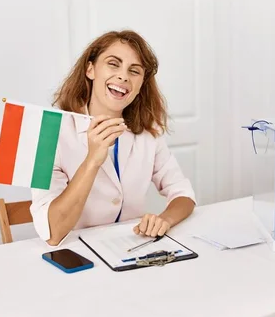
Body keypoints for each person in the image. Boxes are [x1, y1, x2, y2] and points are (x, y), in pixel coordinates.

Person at [30, 30, 196, 246]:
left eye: (134, 71)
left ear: (140, 85)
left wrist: (164, 220)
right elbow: (53, 233)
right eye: (113, 63)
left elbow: (183, 194)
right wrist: (92, 161)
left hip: (132, 249)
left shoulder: (148, 132)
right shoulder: (47, 135)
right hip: (77, 255)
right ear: (90, 69)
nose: (123, 76)